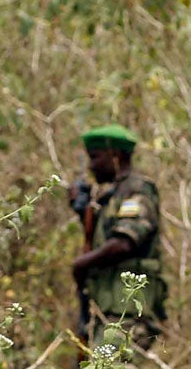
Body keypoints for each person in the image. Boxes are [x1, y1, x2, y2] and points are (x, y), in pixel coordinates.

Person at [69, 124, 166, 355]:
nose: (92, 166)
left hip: (128, 310)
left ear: (116, 156)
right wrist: (82, 211)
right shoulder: (109, 195)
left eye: (95, 157)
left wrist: (81, 263)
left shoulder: (137, 190)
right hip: (104, 307)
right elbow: (102, 238)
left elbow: (124, 243)